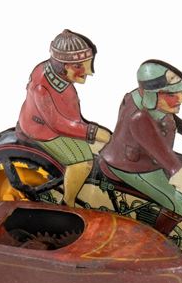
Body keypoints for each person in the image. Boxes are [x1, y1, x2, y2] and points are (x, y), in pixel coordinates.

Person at [100, 60, 182, 235]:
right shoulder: (139, 117)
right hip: (132, 166)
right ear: (151, 95)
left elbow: (172, 122)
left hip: (145, 157)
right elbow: (166, 157)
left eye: (181, 92)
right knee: (178, 205)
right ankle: (152, 242)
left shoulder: (144, 99)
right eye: (172, 94)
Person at [16, 29, 111, 206]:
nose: (89, 71)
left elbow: (69, 116)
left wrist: (88, 131)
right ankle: (68, 202)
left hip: (60, 125)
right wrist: (92, 132)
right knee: (82, 163)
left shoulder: (59, 79)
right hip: (43, 130)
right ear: (64, 65)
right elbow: (57, 124)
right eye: (79, 66)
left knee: (102, 148)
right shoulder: (41, 86)